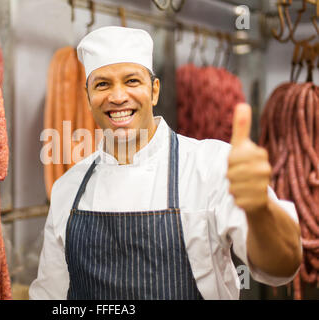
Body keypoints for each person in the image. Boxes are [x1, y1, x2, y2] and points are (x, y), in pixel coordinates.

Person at [29, 26, 302, 300]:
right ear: (88, 97)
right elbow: (50, 295)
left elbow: (281, 268)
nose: (118, 96)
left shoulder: (211, 166)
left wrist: (260, 210)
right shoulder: (68, 189)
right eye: (102, 84)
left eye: (132, 81)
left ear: (155, 90)